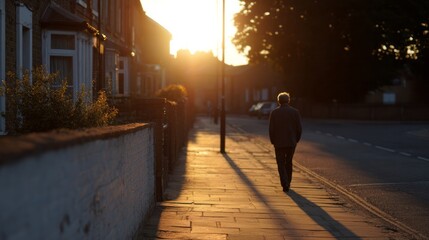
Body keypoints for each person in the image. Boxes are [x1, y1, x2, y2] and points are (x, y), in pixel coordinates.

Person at [269, 92, 302, 193]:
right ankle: (288, 181)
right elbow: (299, 128)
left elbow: (271, 129)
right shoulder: (295, 112)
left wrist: (273, 140)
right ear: (288, 100)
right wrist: (296, 140)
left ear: (279, 101)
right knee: (289, 162)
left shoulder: (274, 113)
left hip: (278, 143)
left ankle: (284, 183)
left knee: (280, 163)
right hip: (291, 142)